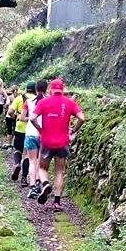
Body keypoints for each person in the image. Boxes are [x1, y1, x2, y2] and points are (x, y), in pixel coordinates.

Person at [30, 78, 84, 211]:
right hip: (62, 142)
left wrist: (40, 129)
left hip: (47, 140)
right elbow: (82, 118)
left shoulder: (43, 102)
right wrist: (73, 130)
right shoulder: (70, 102)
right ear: (63, 89)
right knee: (59, 171)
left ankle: (46, 184)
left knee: (43, 169)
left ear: (50, 89)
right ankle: (57, 202)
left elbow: (32, 118)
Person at [24, 80, 46, 194]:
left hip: (30, 133)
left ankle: (32, 186)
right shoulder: (48, 101)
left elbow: (24, 117)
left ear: (36, 89)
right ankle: (38, 182)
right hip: (44, 134)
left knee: (32, 161)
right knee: (40, 160)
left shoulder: (28, 101)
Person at [10, 83, 31, 183]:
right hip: (32, 130)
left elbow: (10, 111)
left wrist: (15, 116)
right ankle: (24, 178)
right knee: (27, 154)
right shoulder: (38, 99)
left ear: (26, 89)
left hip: (19, 128)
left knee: (17, 149)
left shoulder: (19, 98)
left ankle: (17, 163)